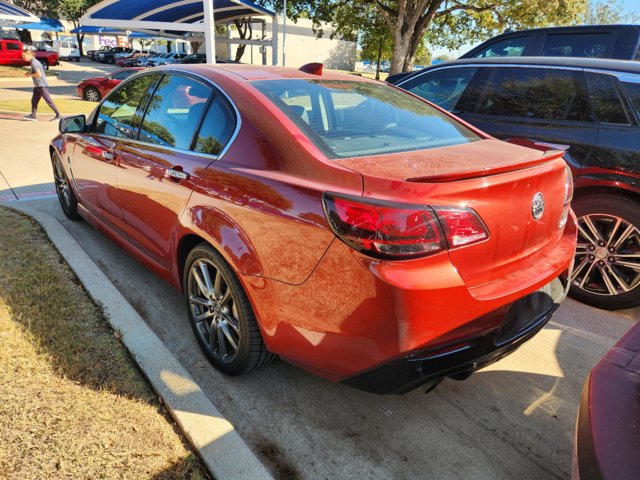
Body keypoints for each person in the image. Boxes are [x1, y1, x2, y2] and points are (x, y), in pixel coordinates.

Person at [22, 48, 60, 122]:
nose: (23, 57)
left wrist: (29, 74)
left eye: (24, 55)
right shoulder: (34, 62)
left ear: (29, 55)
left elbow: (38, 74)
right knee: (34, 100)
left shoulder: (34, 63)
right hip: (38, 85)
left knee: (48, 100)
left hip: (41, 85)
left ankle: (58, 115)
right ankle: (33, 115)